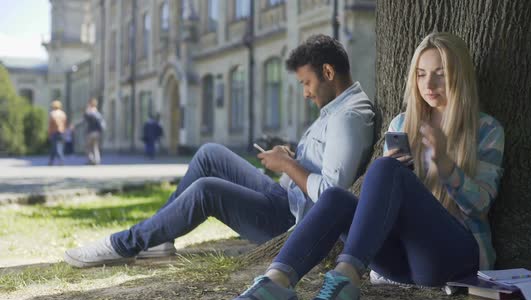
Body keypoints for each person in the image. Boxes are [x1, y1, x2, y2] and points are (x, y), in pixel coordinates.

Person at [217, 32, 505, 300]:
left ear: (460, 77)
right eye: (421, 75)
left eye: (440, 75)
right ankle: (276, 284)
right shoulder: (403, 124)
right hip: (403, 261)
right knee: (336, 197)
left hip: (452, 256)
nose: (428, 85)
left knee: (384, 169)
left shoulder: (486, 130)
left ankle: (345, 281)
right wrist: (396, 178)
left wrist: (445, 164)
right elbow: (388, 200)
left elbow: (480, 205)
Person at [64, 34, 376, 268]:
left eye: (307, 83)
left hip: (289, 220)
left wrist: (287, 166)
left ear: (329, 73)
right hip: (285, 197)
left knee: (206, 191)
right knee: (209, 153)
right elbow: (324, 164)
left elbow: (332, 195)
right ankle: (158, 235)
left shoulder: (348, 118)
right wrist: (292, 157)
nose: (306, 92)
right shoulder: (337, 107)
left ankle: (125, 243)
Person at [84, 98, 105, 165]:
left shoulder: (90, 112)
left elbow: (85, 118)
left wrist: (87, 110)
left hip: (91, 132)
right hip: (97, 132)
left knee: (88, 147)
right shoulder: (98, 113)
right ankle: (97, 160)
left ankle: (91, 160)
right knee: (95, 146)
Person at [47, 100, 67, 166]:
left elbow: (51, 124)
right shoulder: (63, 113)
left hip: (54, 132)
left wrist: (49, 132)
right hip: (62, 132)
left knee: (56, 147)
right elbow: (64, 123)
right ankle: (51, 161)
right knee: (58, 146)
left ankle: (60, 161)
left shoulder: (53, 113)